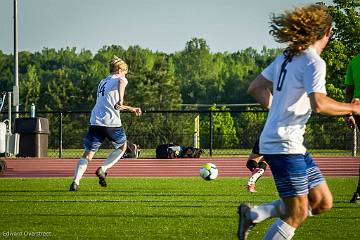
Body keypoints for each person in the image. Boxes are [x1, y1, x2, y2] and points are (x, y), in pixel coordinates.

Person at [237, 4, 360, 240]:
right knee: (299, 211)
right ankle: (255, 213)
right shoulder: (314, 62)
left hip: (289, 142)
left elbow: (256, 87)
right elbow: (320, 104)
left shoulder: (287, 57)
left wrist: (277, 110)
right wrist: (353, 107)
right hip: (284, 144)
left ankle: (256, 213)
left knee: (322, 201)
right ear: (328, 32)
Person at [69, 56, 142, 191]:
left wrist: (130, 108)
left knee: (88, 154)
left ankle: (76, 181)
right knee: (122, 146)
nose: (126, 75)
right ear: (120, 70)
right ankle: (103, 169)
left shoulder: (103, 81)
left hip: (95, 121)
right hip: (111, 122)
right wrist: (121, 100)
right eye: (125, 71)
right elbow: (121, 82)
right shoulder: (120, 78)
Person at [344, 53, 360, 203]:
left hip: (357, 108)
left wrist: (348, 113)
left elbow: (349, 90)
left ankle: (359, 192)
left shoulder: (354, 61)